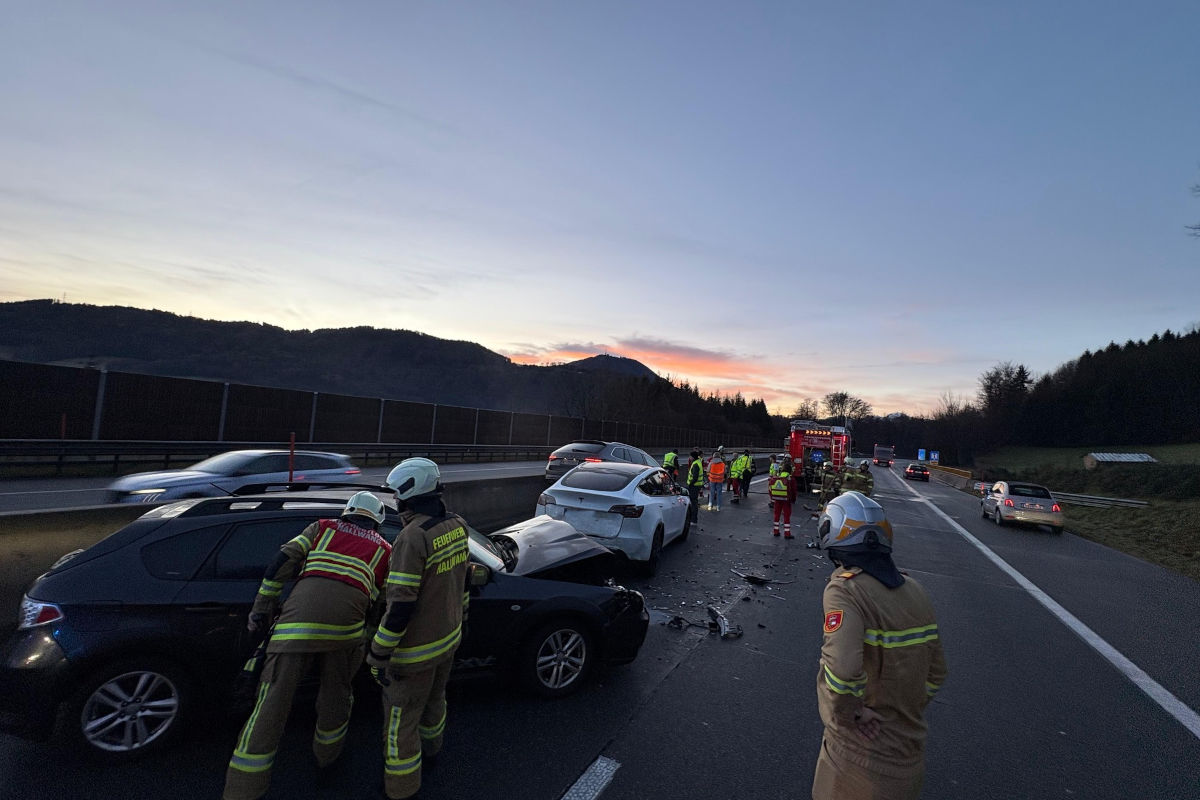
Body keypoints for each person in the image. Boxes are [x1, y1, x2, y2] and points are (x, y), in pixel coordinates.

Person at [223, 492, 392, 800]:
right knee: (336, 698)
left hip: (293, 632)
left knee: (270, 707)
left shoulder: (323, 527)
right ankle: (327, 764)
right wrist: (367, 640)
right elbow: (381, 603)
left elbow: (282, 561)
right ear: (377, 522)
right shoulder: (385, 549)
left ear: (348, 512)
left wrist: (262, 607)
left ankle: (242, 789)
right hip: (345, 636)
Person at [811, 492, 947, 800]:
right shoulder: (916, 591)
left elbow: (843, 673)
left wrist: (854, 715)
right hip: (909, 758)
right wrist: (900, 708)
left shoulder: (845, 591)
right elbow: (937, 673)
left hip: (859, 759)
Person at [367, 458, 472, 800]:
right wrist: (462, 621)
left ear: (409, 495)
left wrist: (378, 652)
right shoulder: (457, 525)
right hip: (448, 640)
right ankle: (433, 753)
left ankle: (401, 787)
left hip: (414, 654)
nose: (396, 502)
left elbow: (400, 606)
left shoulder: (412, 538)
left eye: (398, 497)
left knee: (401, 721)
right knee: (435, 702)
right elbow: (464, 581)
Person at [768, 456, 797, 538]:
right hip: (786, 500)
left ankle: (775, 531)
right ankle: (787, 533)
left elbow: (770, 488)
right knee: (786, 516)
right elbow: (794, 491)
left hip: (777, 499)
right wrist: (793, 500)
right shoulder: (790, 478)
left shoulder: (776, 477)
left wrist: (772, 498)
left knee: (776, 515)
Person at [685, 449, 705, 525]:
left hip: (694, 486)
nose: (689, 458)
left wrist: (690, 484)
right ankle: (693, 519)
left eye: (690, 456)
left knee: (693, 503)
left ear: (692, 457)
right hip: (696, 485)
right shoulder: (698, 462)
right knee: (694, 502)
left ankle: (693, 520)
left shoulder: (696, 464)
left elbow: (695, 477)